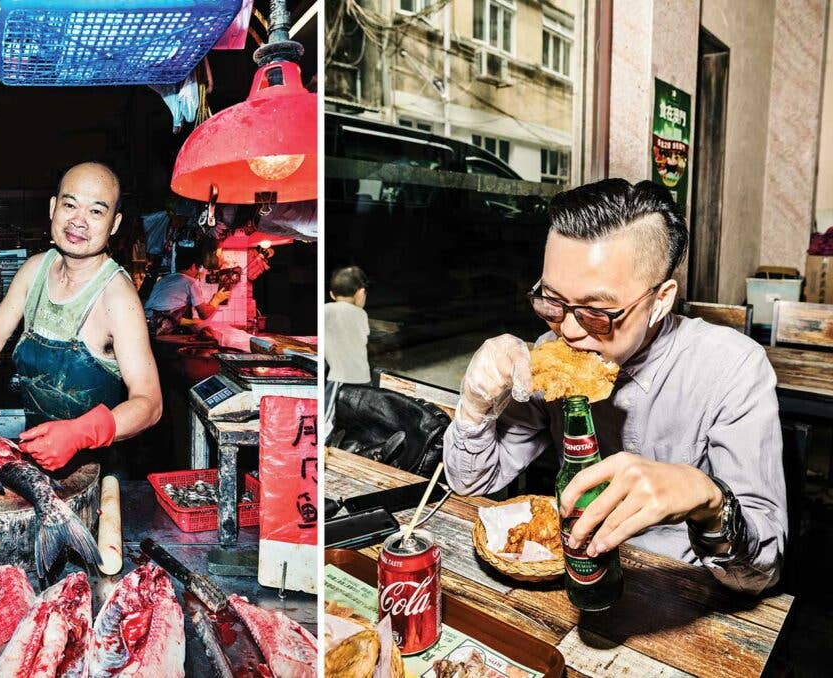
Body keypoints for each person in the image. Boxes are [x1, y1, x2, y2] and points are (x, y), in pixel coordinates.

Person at [444, 179, 786, 594]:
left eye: (597, 311)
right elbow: (472, 486)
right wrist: (475, 408)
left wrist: (711, 503)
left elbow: (762, 574)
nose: (568, 329)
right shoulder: (550, 352)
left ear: (660, 299)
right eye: (551, 300)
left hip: (682, 590)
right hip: (566, 572)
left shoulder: (732, 368)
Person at [0, 162, 163, 472]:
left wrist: (80, 434)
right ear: (53, 208)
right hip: (34, 460)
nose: (78, 221)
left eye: (96, 212)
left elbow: (150, 403)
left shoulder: (118, 297)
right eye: (69, 205)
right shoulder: (33, 270)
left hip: (97, 470)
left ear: (114, 223)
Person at [143, 243, 230, 336]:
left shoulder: (164, 279)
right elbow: (204, 314)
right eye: (198, 268)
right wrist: (216, 300)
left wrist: (191, 322)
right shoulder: (190, 282)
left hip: (144, 323)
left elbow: (165, 311)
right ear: (193, 266)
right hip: (157, 328)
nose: (198, 273)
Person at [324, 266, 371, 417]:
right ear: (360, 292)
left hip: (339, 377)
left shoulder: (327, 309)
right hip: (363, 378)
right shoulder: (361, 314)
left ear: (331, 294)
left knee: (329, 417)